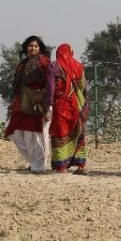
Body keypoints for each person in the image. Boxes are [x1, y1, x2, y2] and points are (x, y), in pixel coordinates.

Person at [4, 35, 52, 174]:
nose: (33, 48)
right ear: (26, 47)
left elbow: (50, 83)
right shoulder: (22, 64)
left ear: (40, 48)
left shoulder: (44, 62)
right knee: (14, 132)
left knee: (33, 135)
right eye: (30, 46)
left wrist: (43, 100)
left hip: (36, 103)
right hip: (21, 102)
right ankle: (34, 162)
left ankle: (38, 167)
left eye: (36, 46)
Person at [45, 43, 89, 174]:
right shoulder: (78, 66)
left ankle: (61, 166)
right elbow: (82, 87)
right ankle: (80, 165)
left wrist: (47, 104)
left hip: (60, 104)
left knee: (60, 133)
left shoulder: (53, 66)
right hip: (75, 104)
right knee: (77, 132)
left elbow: (50, 88)